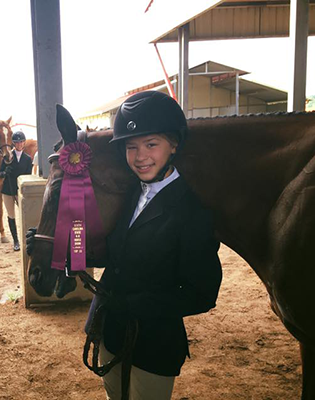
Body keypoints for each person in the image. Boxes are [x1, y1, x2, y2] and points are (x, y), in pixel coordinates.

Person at [90, 91, 222, 399]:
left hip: (153, 344)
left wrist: (140, 304)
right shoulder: (129, 195)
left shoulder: (192, 212)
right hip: (111, 332)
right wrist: (73, 250)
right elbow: (117, 255)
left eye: (151, 145)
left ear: (173, 145)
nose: (139, 157)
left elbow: (203, 293)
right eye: (131, 146)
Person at [0, 131, 32, 251]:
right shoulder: (7, 157)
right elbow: (0, 174)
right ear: (13, 143)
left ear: (24, 143)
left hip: (20, 190)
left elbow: (28, 176)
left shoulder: (28, 159)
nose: (19, 144)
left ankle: (26, 239)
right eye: (17, 142)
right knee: (11, 215)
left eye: (21, 142)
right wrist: (5, 172)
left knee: (24, 215)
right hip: (8, 190)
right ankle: (16, 241)